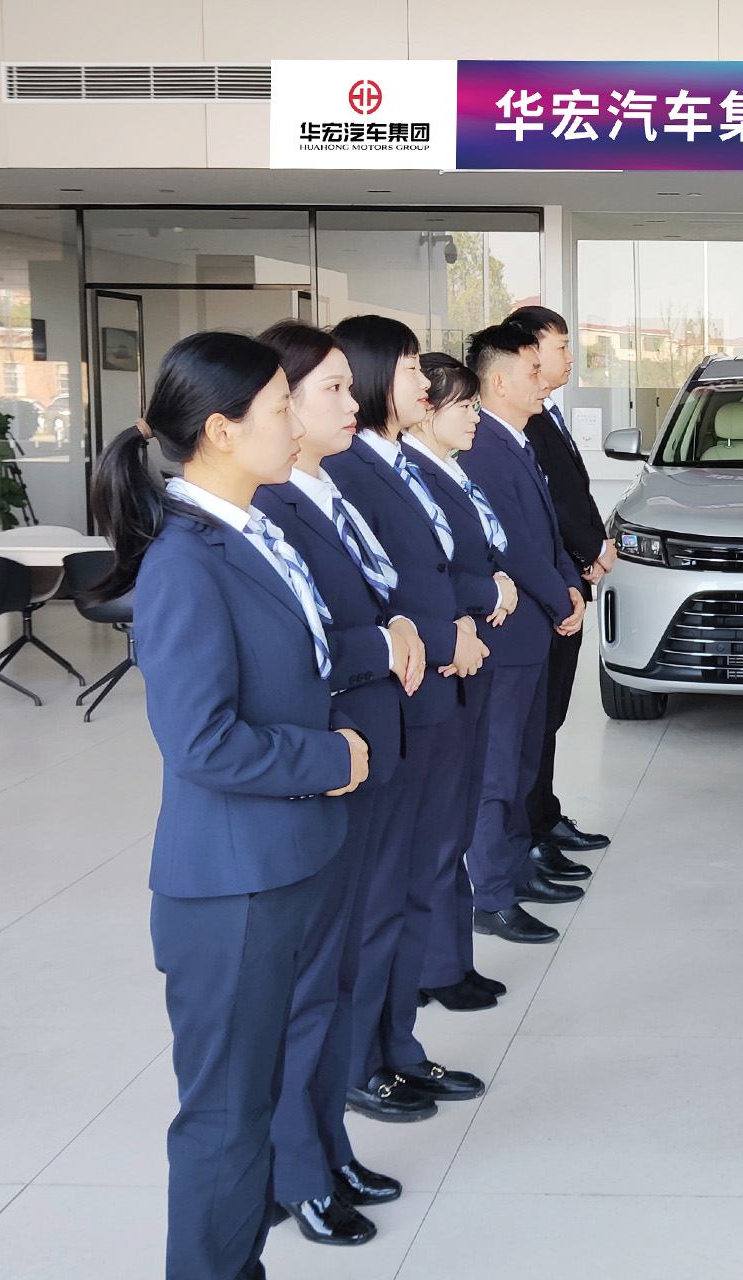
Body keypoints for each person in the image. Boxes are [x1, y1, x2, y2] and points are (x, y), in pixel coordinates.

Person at [88, 331, 369, 1280]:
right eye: (282, 408)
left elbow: (301, 666)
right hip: (232, 888)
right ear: (219, 429)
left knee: (256, 1101)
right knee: (227, 1118)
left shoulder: (253, 529)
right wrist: (329, 756)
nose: (297, 424)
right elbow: (200, 741)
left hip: (287, 857)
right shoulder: (185, 561)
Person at [251, 320, 420, 1246]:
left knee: (343, 970)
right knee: (310, 984)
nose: (353, 403)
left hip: (371, 750)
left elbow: (375, 596)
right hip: (328, 761)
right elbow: (303, 644)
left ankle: (329, 1144)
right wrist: (383, 641)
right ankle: (297, 1171)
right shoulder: (270, 510)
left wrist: (396, 629)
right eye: (331, 390)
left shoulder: (327, 488)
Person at [323, 315, 492, 1122]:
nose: (425, 384)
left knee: (414, 882)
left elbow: (426, 569)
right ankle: (364, 1062)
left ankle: (398, 1046)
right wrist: (445, 633)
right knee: (383, 896)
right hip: (401, 699)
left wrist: (455, 620)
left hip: (430, 696)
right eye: (411, 369)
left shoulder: (394, 462)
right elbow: (371, 593)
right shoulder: (349, 469)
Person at [459, 323, 588, 944]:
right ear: (500, 381)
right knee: (498, 771)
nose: (545, 382)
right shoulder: (483, 446)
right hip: (508, 636)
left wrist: (569, 582)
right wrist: (561, 594)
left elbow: (548, 533)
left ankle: (517, 870)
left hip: (535, 629)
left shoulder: (515, 439)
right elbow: (510, 543)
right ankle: (491, 893)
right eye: (533, 372)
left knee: (522, 762)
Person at [401, 351, 517, 1009]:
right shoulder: (411, 475)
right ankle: (434, 967)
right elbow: (425, 573)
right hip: (443, 660)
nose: (475, 417)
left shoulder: (451, 471)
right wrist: (487, 590)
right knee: (440, 826)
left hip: (470, 654)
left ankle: (450, 960)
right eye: (464, 406)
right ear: (425, 412)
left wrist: (493, 581)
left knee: (458, 818)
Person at [507, 304, 613, 878]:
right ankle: (529, 833)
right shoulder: (515, 427)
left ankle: (545, 817)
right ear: (526, 353)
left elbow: (572, 495)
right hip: (544, 594)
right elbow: (543, 516)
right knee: (534, 723)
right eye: (560, 347)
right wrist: (591, 551)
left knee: (549, 719)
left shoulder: (544, 414)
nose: (570, 358)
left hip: (565, 582)